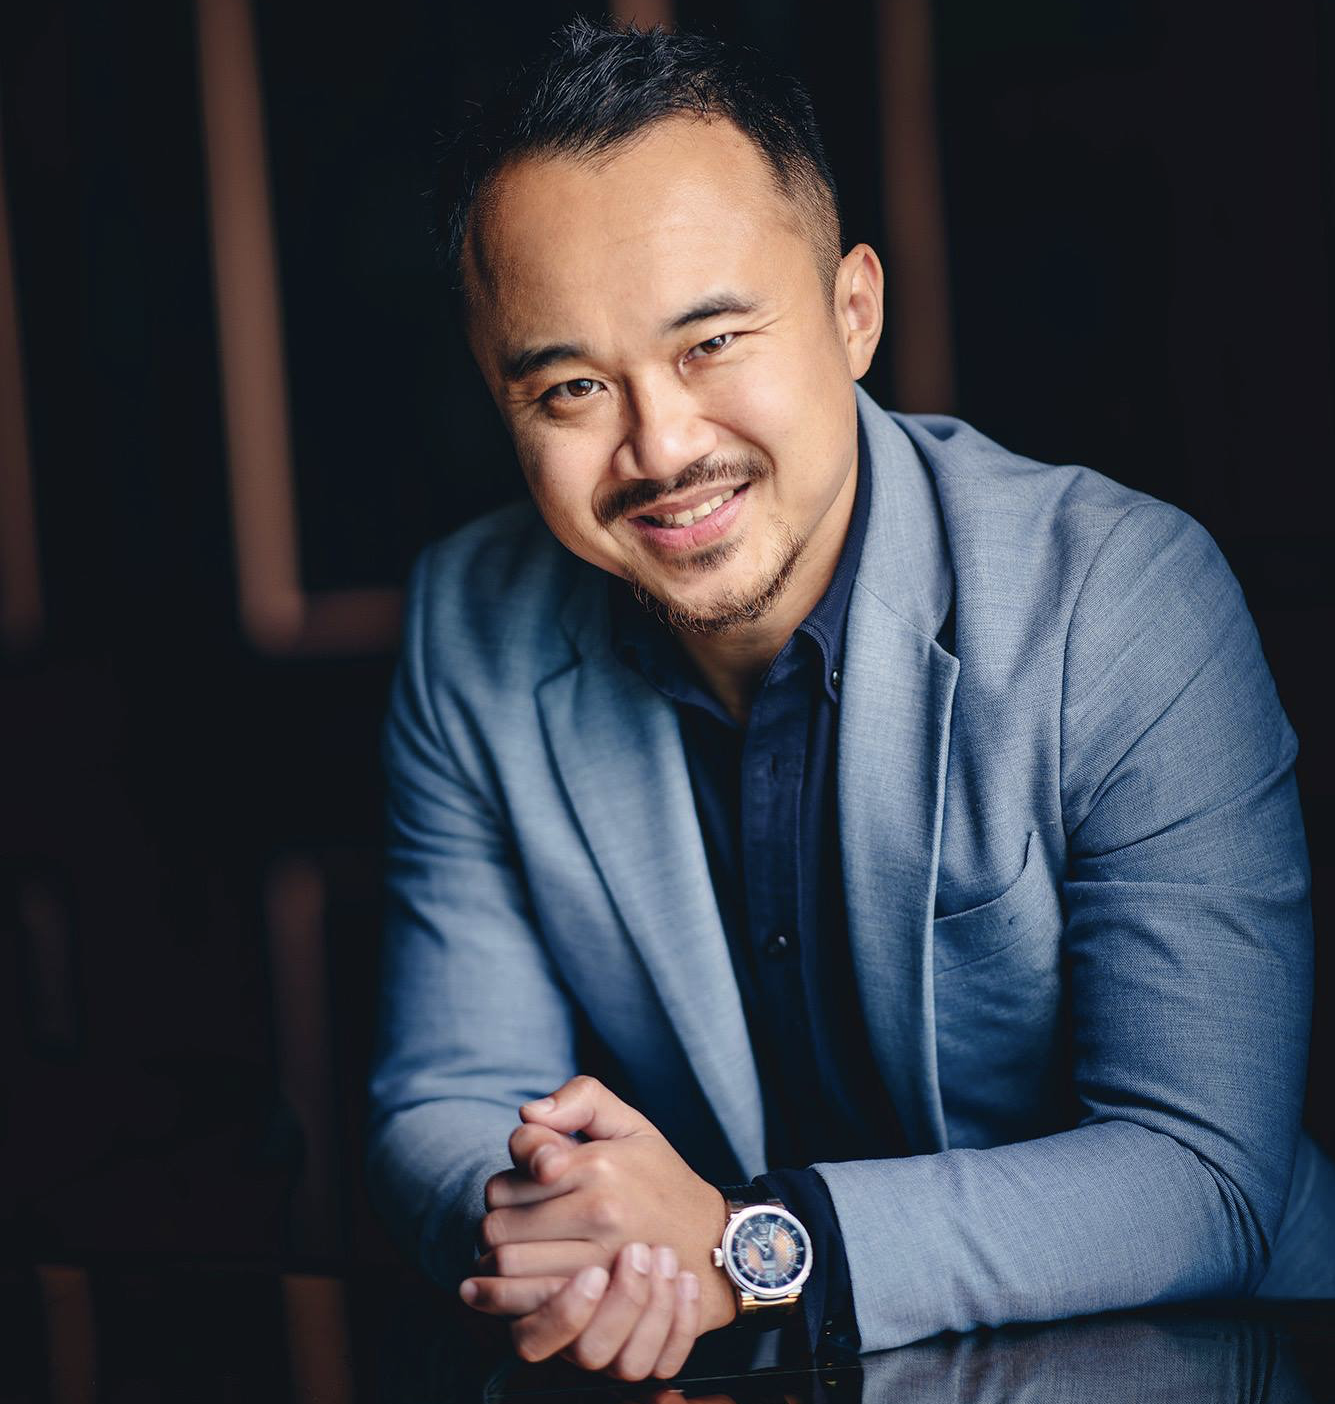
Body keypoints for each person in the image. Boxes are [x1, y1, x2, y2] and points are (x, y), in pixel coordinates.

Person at [366, 16, 1335, 1382]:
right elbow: (441, 1098)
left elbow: (1203, 1171)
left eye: (710, 343)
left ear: (852, 310)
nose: (660, 446)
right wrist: (572, 1233)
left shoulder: (1120, 597)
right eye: (572, 386)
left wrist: (746, 1247)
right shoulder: (471, 625)